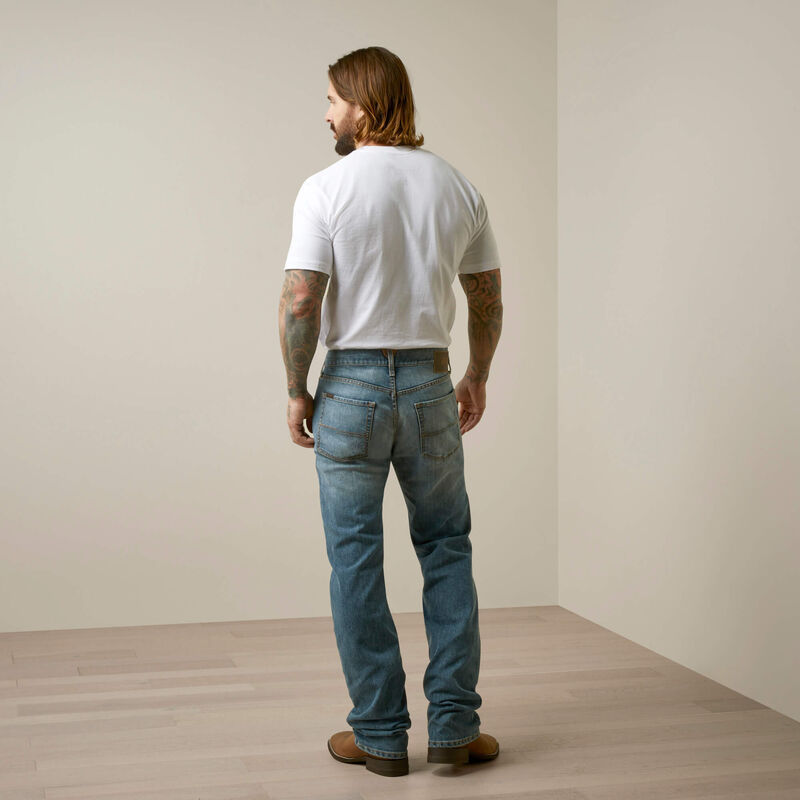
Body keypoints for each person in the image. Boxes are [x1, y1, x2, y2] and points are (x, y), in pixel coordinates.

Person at [278, 45, 503, 778]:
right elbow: (486, 297)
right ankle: (454, 730)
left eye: (333, 100)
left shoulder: (325, 187)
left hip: (350, 391)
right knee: (447, 549)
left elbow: (301, 299)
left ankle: (378, 736)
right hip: (433, 386)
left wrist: (297, 387)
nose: (326, 114)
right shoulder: (458, 186)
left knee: (355, 560)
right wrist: (476, 375)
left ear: (364, 106)